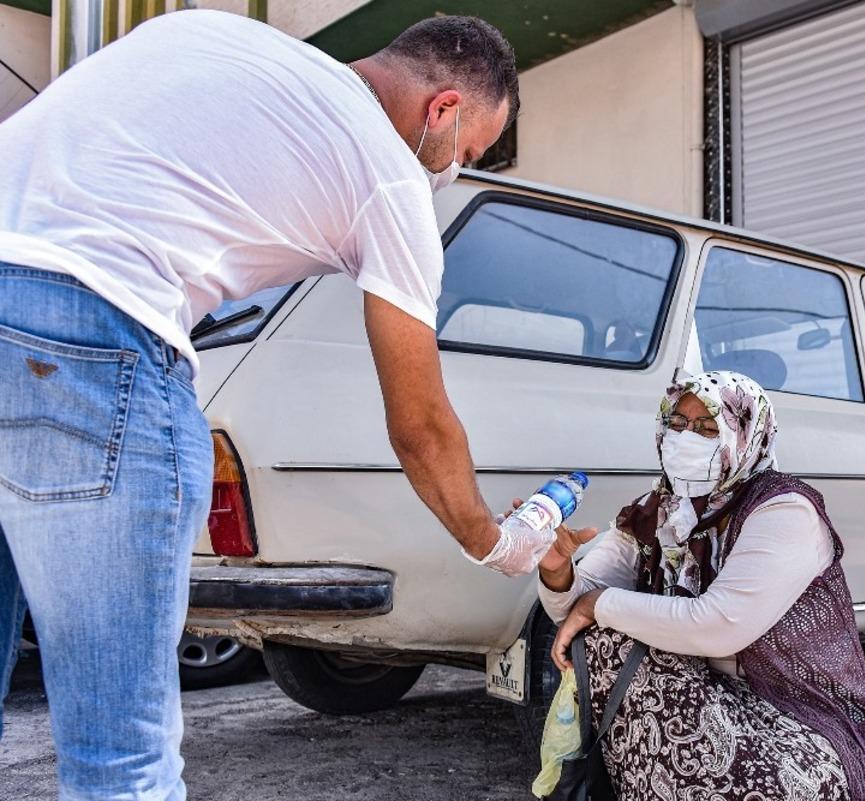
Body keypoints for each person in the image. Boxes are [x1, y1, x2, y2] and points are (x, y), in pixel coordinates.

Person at [0, 9, 528, 799]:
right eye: (471, 151)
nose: (452, 170)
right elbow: (419, 424)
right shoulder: (388, 173)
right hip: (91, 334)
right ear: (442, 110)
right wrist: (496, 543)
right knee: (119, 760)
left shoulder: (215, 35)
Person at [536, 371, 865, 801]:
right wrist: (558, 572)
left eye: (707, 428)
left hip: (800, 710)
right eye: (678, 425)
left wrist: (598, 603)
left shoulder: (783, 510)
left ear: (745, 436)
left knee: (767, 786)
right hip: (710, 698)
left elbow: (718, 624)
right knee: (604, 638)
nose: (687, 439)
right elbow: (575, 611)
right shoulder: (658, 511)